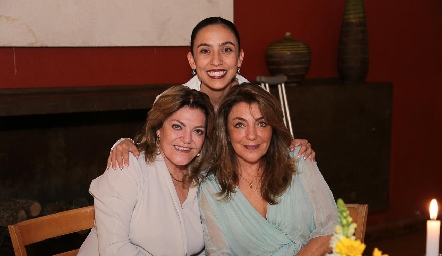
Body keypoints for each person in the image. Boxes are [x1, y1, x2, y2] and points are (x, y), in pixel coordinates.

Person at [107, 17, 315, 170]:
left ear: (240, 57)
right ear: (192, 60)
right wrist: (124, 144)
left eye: (226, 50)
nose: (216, 61)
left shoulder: (257, 99)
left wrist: (295, 146)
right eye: (205, 51)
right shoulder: (173, 102)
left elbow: (275, 148)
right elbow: (151, 147)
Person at [199, 83, 338, 255]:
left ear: (273, 128)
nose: (252, 135)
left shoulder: (299, 161)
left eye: (262, 123)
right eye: (240, 125)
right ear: (226, 131)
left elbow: (332, 230)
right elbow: (218, 252)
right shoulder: (211, 189)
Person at [78, 85, 215, 255]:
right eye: (177, 127)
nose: (187, 139)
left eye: (198, 131)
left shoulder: (204, 179)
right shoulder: (128, 167)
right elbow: (113, 249)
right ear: (158, 128)